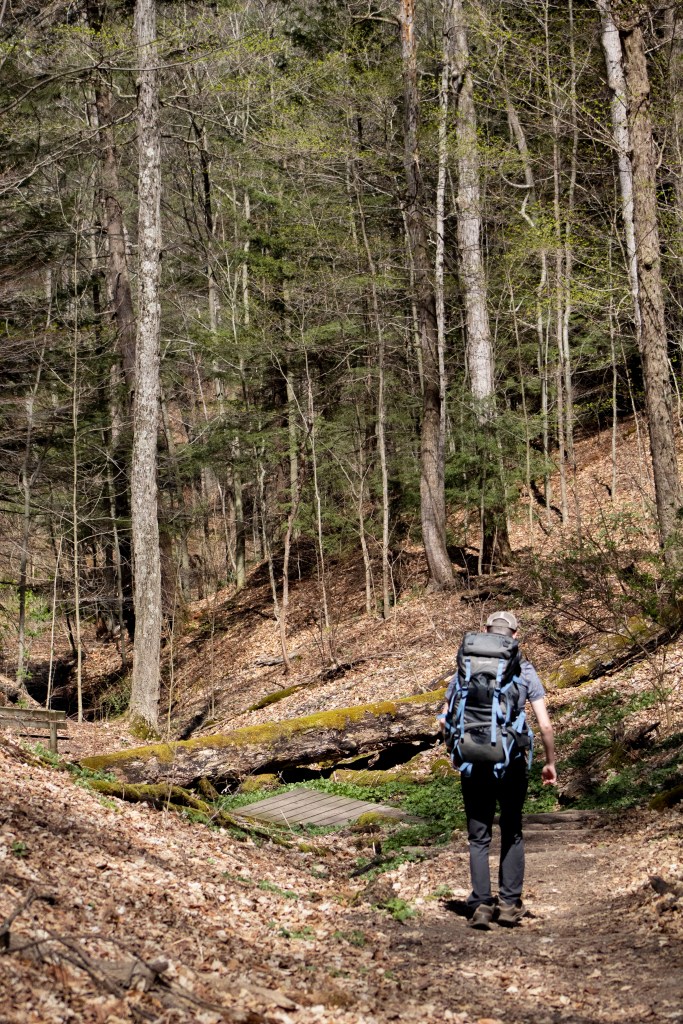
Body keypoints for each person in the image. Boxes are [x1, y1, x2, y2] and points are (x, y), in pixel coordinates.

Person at [441, 610, 557, 929]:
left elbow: (447, 717)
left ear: (485, 630)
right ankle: (507, 904)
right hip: (512, 760)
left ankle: (480, 904)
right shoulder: (524, 669)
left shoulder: (465, 667)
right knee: (511, 828)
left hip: (474, 759)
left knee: (479, 835)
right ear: (515, 635)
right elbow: (545, 726)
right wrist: (549, 762)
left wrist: (455, 751)